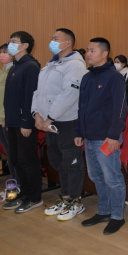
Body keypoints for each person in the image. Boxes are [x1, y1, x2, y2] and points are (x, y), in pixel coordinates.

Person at [33, 28, 88, 220]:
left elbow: (69, 95)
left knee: (71, 162)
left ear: (68, 43)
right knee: (57, 160)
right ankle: (65, 198)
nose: (52, 41)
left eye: (56, 39)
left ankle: (75, 201)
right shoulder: (50, 65)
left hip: (67, 122)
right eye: (52, 38)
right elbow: (38, 92)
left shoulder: (75, 65)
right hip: (49, 122)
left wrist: (49, 118)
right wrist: (37, 115)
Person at [75, 37, 127, 234]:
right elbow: (81, 107)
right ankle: (104, 211)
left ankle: (117, 216)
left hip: (106, 138)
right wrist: (79, 131)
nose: (88, 54)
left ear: (104, 54)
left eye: (92, 51)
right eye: (87, 50)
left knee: (112, 177)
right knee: (96, 176)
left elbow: (120, 109)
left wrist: (113, 135)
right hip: (89, 137)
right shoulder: (87, 77)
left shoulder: (114, 77)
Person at [2, 31, 42, 213]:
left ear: (25, 46)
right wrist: (7, 118)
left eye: (14, 41)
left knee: (28, 160)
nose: (10, 44)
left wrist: (27, 122)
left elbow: (31, 97)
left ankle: (34, 197)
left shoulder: (31, 66)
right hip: (13, 121)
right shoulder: (15, 66)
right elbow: (10, 97)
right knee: (16, 160)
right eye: (10, 41)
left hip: (24, 122)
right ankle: (24, 194)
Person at [0, 44, 16, 182]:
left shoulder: (14, 71)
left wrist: (6, 117)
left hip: (6, 118)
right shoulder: (1, 71)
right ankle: (14, 182)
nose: (1, 55)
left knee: (13, 153)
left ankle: (17, 184)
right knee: (9, 152)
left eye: (5, 52)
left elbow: (12, 97)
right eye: (0, 52)